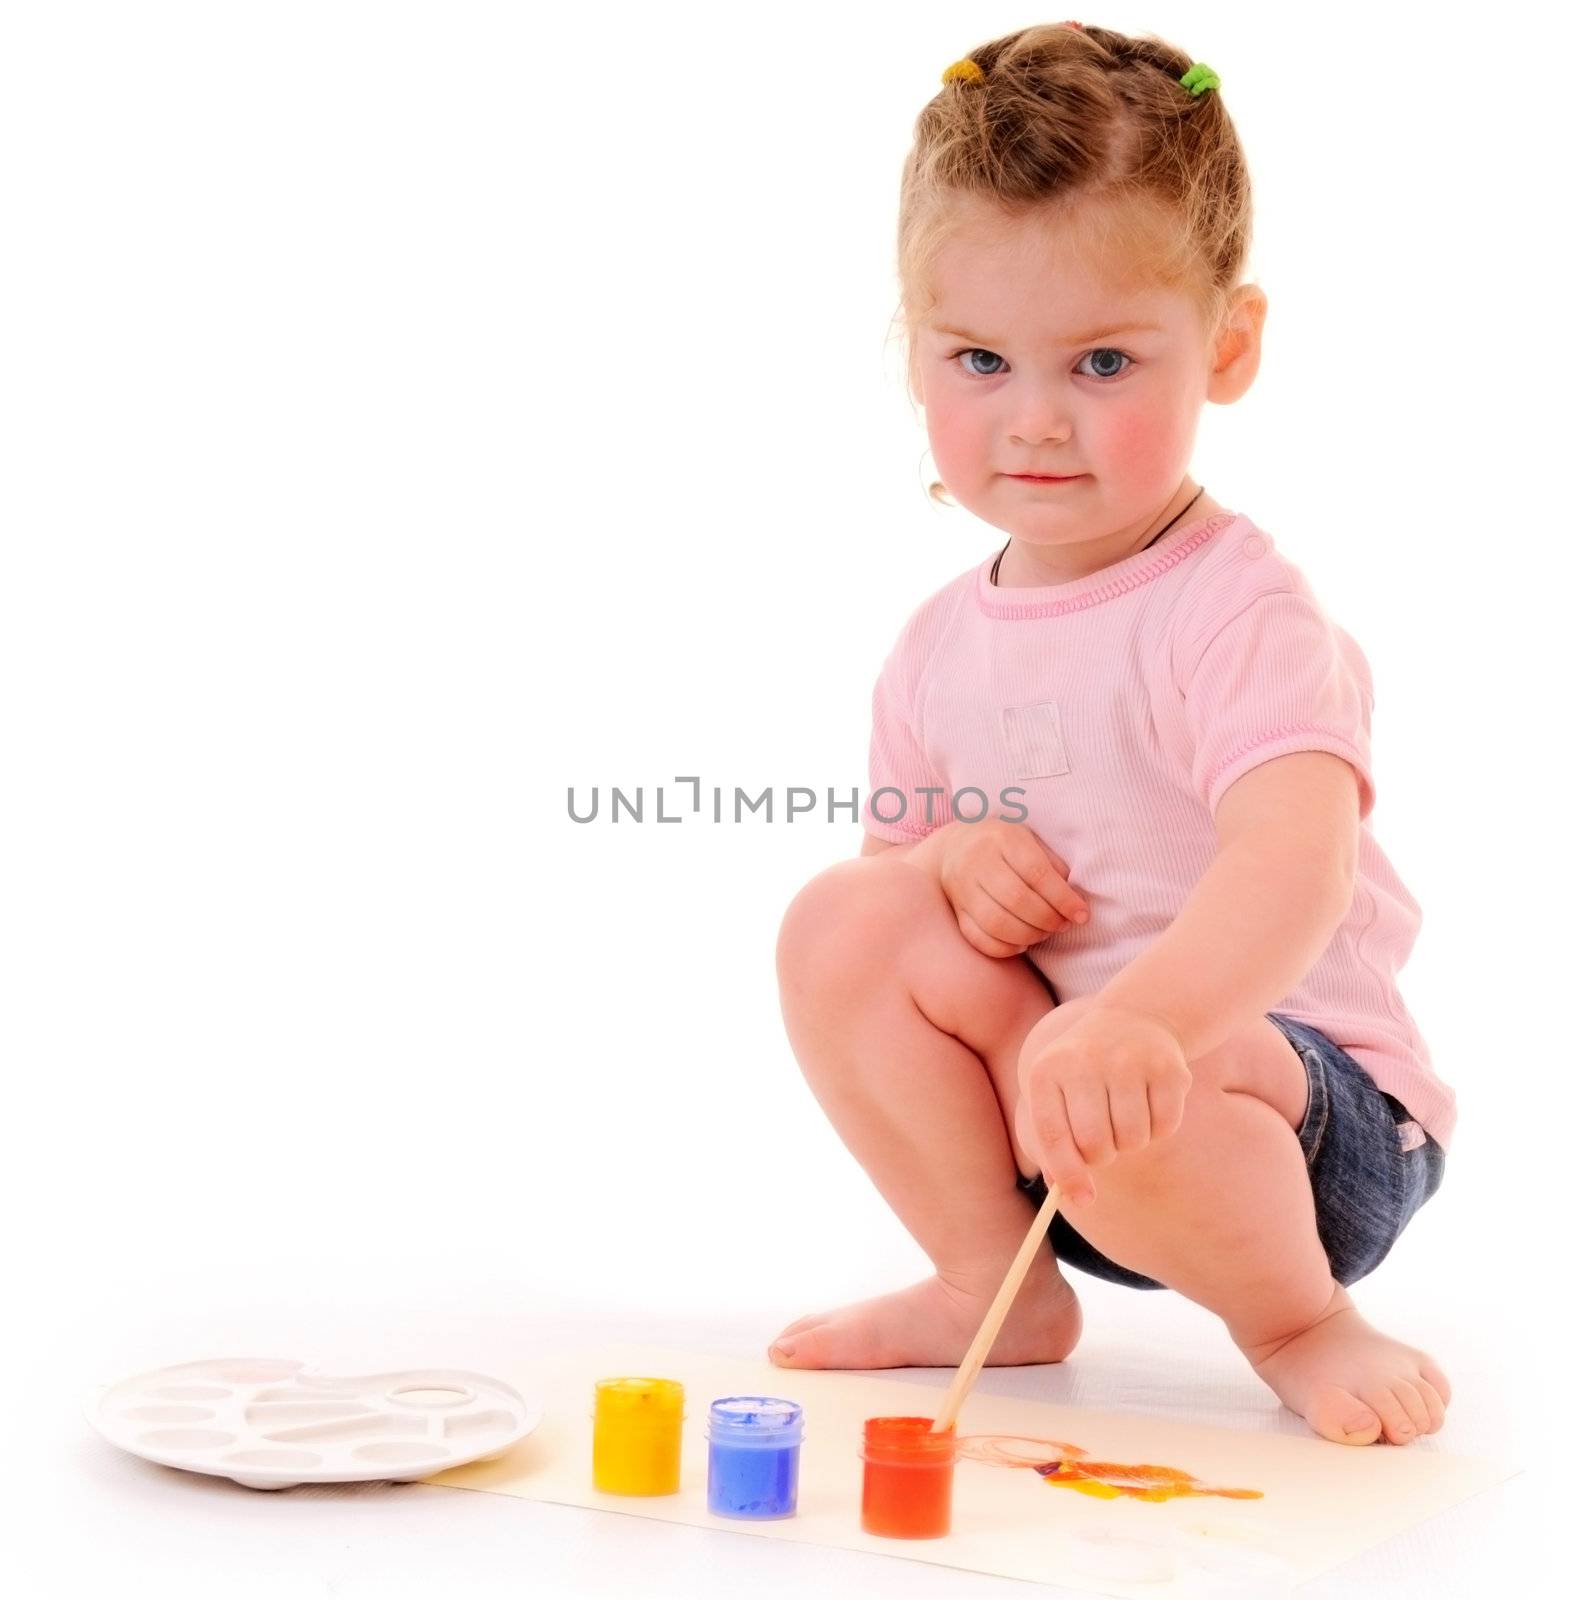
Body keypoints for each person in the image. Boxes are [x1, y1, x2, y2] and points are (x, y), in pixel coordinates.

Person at [769, 21, 1454, 1449]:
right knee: (846, 918)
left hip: (1292, 1125)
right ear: (915, 357)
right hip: (1062, 1145)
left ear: (1231, 345)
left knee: (1146, 1051)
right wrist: (955, 857)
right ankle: (991, 1287)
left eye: (1100, 364)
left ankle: (1300, 1321)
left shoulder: (1237, 608)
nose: (1034, 424)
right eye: (978, 360)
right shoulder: (936, 645)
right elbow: (896, 887)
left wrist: (1146, 1020)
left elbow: (1295, 863)